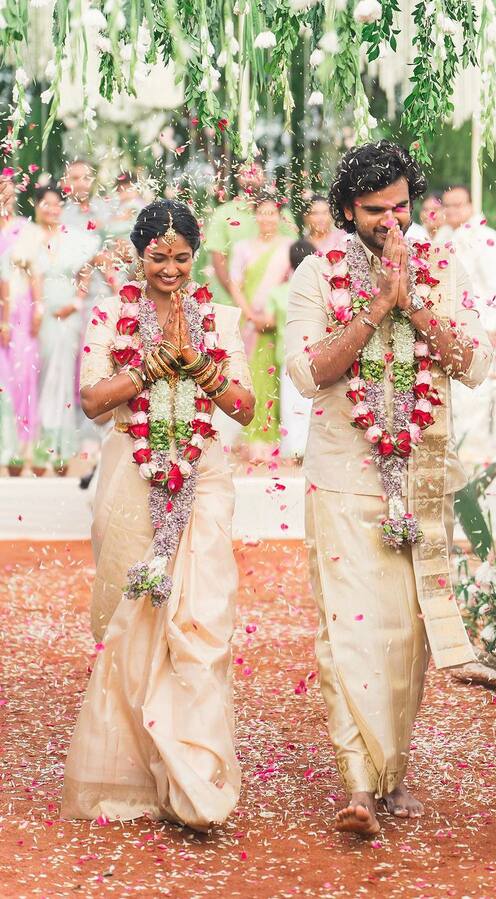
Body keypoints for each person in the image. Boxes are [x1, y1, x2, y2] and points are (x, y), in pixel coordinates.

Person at [286, 141, 493, 835]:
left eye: (401, 206)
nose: (392, 221)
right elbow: (308, 372)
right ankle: (357, 784)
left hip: (419, 479)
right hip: (344, 476)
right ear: (348, 210)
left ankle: (392, 773)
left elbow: (475, 363)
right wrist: (376, 307)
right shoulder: (317, 273)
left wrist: (417, 309)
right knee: (349, 635)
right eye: (376, 210)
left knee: (405, 638)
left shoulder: (442, 266)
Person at [61, 199, 255, 830]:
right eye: (157, 257)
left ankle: (193, 777)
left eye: (181, 257)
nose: (170, 269)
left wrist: (198, 364)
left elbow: (245, 407)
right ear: (139, 255)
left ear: (195, 256)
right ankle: (139, 772)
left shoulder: (217, 319)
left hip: (203, 474)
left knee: (201, 616)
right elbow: (93, 400)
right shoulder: (111, 315)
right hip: (131, 474)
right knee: (136, 615)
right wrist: (148, 368)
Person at [12, 183, 99, 473]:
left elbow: (85, 271)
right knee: (37, 375)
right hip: (35, 314)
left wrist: (76, 302)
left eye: (56, 204)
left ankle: (60, 447)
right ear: (36, 206)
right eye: (45, 204)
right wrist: (36, 308)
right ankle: (35, 447)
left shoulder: (74, 237)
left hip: (68, 313)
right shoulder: (29, 237)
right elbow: (24, 275)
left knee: (62, 377)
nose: (51, 209)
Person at [229, 192, 293, 459]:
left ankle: (274, 439)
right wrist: (250, 316)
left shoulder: (288, 247)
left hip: (278, 323)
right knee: (252, 378)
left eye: (272, 213)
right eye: (262, 213)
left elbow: (293, 284)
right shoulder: (242, 248)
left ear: (279, 216)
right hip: (251, 324)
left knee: (275, 378)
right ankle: (254, 439)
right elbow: (235, 284)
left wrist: (274, 317)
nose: (267, 218)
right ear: (255, 216)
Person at [205, 159, 295, 306]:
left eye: (255, 172)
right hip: (232, 301)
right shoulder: (223, 213)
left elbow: (293, 257)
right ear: (237, 177)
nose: (250, 177)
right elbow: (218, 258)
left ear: (264, 175)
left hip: (275, 305)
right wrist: (241, 301)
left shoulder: (282, 214)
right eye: (245, 173)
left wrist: (277, 302)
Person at [0, 175, 37, 463]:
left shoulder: (25, 230)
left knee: (22, 373)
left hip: (20, 308)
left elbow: (35, 273)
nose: (6, 199)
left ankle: (23, 444)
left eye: (10, 194)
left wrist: (38, 309)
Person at [268, 238, 316, 459]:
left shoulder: (279, 292)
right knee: (311, 403)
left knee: (290, 405)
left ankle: (293, 450)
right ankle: (310, 448)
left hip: (287, 355)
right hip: (315, 355)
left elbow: (267, 321)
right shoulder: (317, 288)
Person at [437, 184, 496, 332]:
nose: (450, 210)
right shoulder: (442, 237)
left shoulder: (485, 237)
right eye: (446, 206)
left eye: (457, 205)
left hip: (477, 323)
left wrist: (490, 327)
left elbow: (494, 286)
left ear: (470, 206)